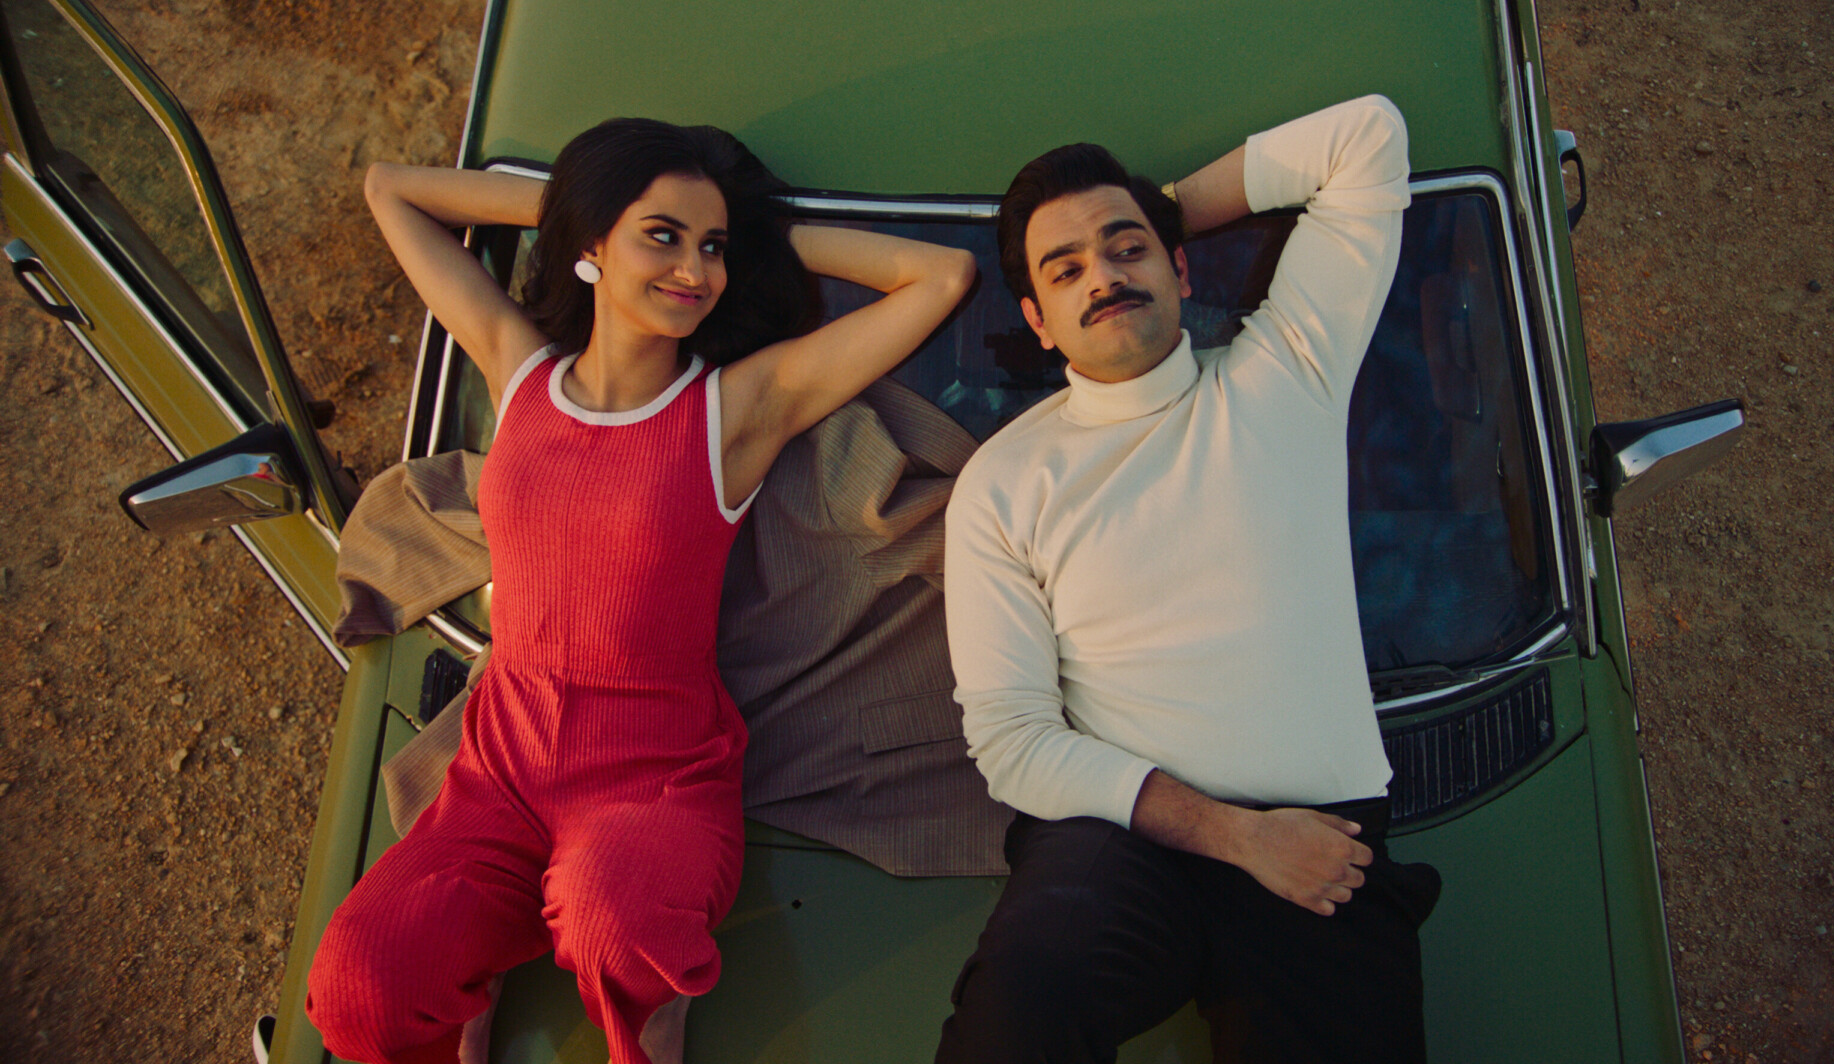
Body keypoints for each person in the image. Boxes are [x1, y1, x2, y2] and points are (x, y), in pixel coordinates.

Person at [304, 118, 975, 1064]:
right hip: (497, 777)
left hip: (652, 786)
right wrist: (573, 207)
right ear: (592, 242)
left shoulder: (734, 409)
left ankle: (652, 1019)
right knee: (357, 986)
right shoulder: (518, 369)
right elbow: (390, 188)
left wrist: (757, 231)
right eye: (663, 236)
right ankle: (471, 981)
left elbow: (941, 278)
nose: (695, 270)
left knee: (615, 929)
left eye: (713, 248)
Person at [938, 95, 1441, 1063]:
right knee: (1022, 1002)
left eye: (1126, 249)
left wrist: (1162, 207)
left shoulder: (1285, 371)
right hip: (1118, 843)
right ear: (1038, 322)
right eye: (1066, 269)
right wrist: (1235, 836)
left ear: (1180, 269)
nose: (1104, 276)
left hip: (1318, 832)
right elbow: (1010, 742)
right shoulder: (1003, 482)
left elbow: (1367, 136)